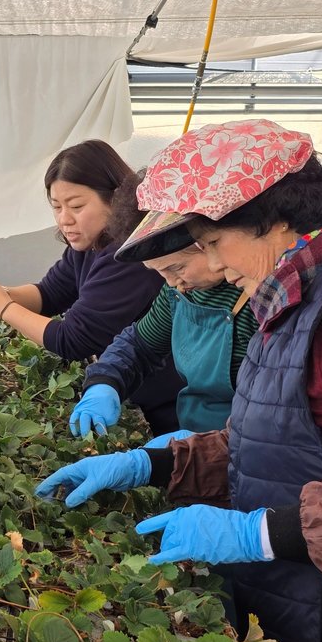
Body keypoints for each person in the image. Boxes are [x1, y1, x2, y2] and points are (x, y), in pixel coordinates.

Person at [36, 119, 322, 642]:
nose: (211, 266)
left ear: (272, 217)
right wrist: (151, 463)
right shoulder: (293, 297)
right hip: (312, 620)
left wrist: (251, 534)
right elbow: (276, 438)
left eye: (211, 243)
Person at [0, 140, 184, 435]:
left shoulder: (127, 256)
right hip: (131, 389)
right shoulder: (87, 245)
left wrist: (2, 308)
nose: (64, 219)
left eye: (77, 206)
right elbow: (49, 294)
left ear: (115, 198)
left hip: (169, 404)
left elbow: (74, 339)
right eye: (56, 207)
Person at [69, 171, 259, 441]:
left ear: (206, 242)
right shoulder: (179, 293)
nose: (172, 282)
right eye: (159, 272)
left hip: (241, 450)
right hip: (196, 447)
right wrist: (105, 382)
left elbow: (276, 416)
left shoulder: (257, 297)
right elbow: (139, 345)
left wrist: (209, 446)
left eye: (176, 267)